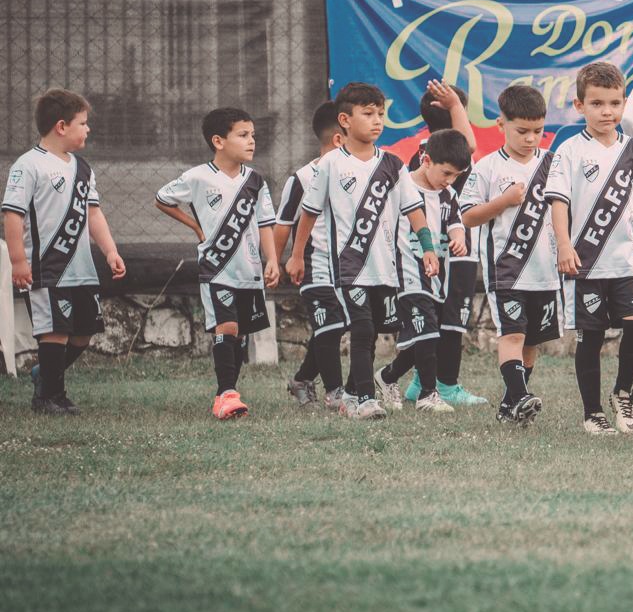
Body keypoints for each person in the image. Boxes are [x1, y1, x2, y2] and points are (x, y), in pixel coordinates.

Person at [285, 81, 438, 421]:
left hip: (385, 268)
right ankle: (367, 400)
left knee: (375, 333)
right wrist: (296, 256)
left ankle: (354, 392)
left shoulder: (394, 165)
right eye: (367, 114)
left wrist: (428, 248)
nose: (376, 121)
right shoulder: (330, 165)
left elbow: (413, 209)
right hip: (348, 266)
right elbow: (309, 213)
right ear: (345, 120)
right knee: (362, 328)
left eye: (380, 114)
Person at [549, 61, 633, 437]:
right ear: (580, 106)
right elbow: (558, 202)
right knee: (590, 338)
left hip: (630, 261)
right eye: (596, 104)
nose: (606, 111)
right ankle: (592, 413)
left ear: (623, 103)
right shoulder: (568, 151)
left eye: (614, 103)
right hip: (587, 263)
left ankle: (623, 392)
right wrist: (564, 245)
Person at [5, 88, 127, 415]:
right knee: (55, 332)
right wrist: (18, 261)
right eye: (83, 123)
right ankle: (49, 398)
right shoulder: (28, 165)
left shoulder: (83, 168)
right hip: (48, 268)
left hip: (82, 269)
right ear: (62, 126)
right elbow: (12, 215)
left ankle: (44, 374)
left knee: (84, 334)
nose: (88, 129)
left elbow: (94, 214)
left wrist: (110, 251)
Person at [155, 107, 280, 420]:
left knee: (238, 335)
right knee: (227, 326)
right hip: (216, 268)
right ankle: (226, 393)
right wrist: (196, 228)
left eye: (252, 135)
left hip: (249, 271)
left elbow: (266, 223)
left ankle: (227, 392)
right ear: (218, 141)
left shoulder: (256, 181)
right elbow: (162, 199)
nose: (252, 141)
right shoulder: (197, 177)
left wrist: (273, 259)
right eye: (243, 135)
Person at [459, 85, 563, 427]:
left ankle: (510, 405)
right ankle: (519, 396)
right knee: (512, 336)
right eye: (522, 131)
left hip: (546, 272)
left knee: (532, 344)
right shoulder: (488, 167)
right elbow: (469, 216)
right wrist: (503, 201)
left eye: (538, 131)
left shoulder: (553, 163)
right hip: (506, 270)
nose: (530, 138)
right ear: (501, 124)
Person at [403, 81, 488, 407]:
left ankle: (418, 383)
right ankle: (447, 385)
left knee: (435, 320)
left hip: (434, 252)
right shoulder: (446, 156)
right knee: (450, 320)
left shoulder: (423, 153)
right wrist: (455, 105)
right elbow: (468, 146)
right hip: (454, 253)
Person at [377, 129, 472, 413]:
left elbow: (456, 221)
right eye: (446, 173)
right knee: (427, 333)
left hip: (436, 279)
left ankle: (387, 376)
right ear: (426, 160)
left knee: (428, 336)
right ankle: (428, 396)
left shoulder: (448, 194)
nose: (450, 180)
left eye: (456, 175)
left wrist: (459, 238)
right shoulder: (402, 188)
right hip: (407, 274)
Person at [277, 101, 342, 407]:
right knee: (328, 324)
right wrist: (282, 261)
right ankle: (336, 393)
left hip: (351, 266)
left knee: (339, 324)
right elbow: (283, 224)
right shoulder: (302, 178)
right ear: (341, 134)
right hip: (316, 265)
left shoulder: (360, 172)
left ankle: (302, 379)